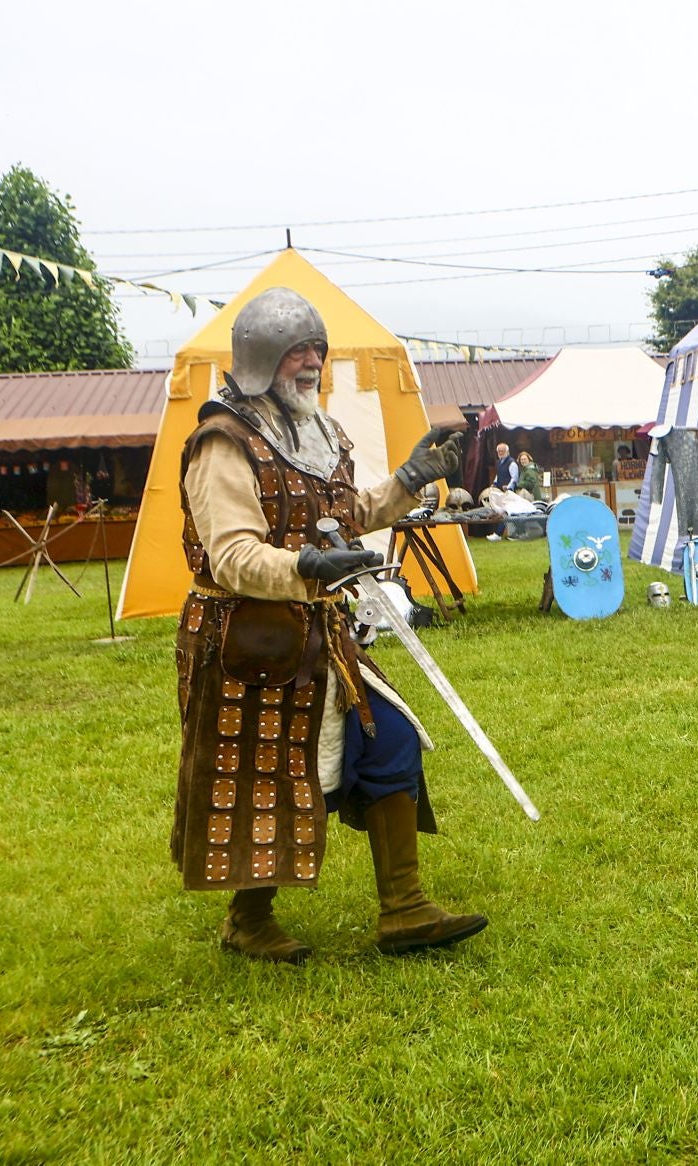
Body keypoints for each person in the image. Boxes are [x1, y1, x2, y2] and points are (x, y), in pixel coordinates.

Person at [173, 287, 485, 965]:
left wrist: (408, 480)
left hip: (320, 631)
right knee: (274, 776)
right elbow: (232, 557)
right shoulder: (222, 443)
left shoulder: (319, 432)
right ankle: (248, 918)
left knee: (389, 735)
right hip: (246, 641)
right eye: (297, 351)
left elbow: (348, 509)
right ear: (261, 358)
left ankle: (403, 909)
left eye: (317, 349)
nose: (311, 362)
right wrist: (311, 565)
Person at [486, 442, 515, 539]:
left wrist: (509, 487)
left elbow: (514, 478)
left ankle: (499, 534)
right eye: (499, 451)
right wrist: (494, 484)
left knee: (507, 512)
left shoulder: (512, 463)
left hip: (509, 492)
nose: (500, 453)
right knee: (503, 512)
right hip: (500, 492)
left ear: (507, 451)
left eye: (502, 451)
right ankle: (507, 534)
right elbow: (498, 475)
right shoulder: (499, 462)